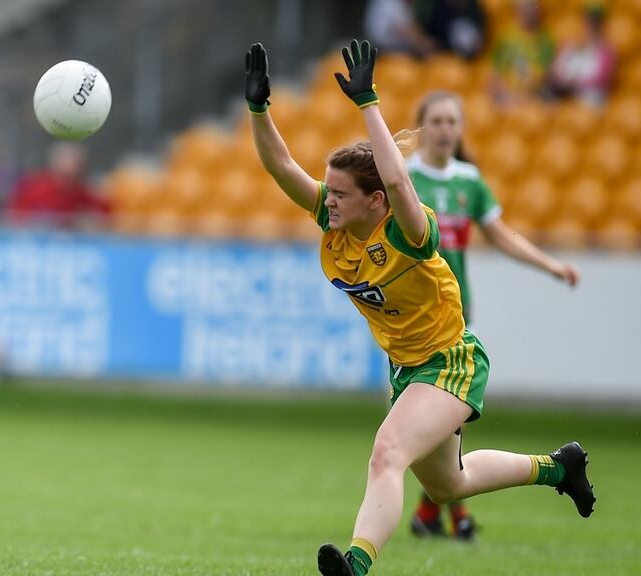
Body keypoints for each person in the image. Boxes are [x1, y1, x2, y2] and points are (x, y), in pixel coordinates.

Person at [245, 40, 595, 576]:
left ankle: (357, 564)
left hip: (450, 359)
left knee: (387, 453)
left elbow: (400, 180)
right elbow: (280, 166)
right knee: (448, 485)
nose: (327, 200)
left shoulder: (408, 229)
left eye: (339, 193)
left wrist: (368, 103)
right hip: (407, 368)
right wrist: (258, 109)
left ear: (375, 200)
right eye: (329, 191)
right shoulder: (337, 225)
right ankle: (557, 468)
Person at [405, 90, 580, 541]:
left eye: (452, 121)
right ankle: (442, 513)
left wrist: (551, 266)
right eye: (437, 121)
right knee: (439, 426)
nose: (445, 129)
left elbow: (501, 235)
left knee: (451, 422)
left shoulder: (469, 181)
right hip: (414, 321)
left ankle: (439, 514)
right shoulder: (403, 180)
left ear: (461, 129)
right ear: (423, 127)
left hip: (458, 319)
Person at [6, 141, 110, 230]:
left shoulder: (85, 195)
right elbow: (13, 219)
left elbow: (106, 220)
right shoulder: (32, 188)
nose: (67, 180)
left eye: (74, 174)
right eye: (63, 175)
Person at [548, 3, 615, 107]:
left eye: (595, 21)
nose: (590, 25)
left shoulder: (606, 50)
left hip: (590, 100)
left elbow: (601, 78)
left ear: (601, 24)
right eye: (588, 21)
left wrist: (575, 82)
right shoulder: (573, 45)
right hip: (567, 96)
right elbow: (556, 70)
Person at [489, 0, 555, 105]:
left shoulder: (546, 40)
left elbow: (548, 75)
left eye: (532, 6)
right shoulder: (506, 39)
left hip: (535, 98)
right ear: (517, 9)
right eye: (525, 6)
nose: (528, 11)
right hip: (510, 98)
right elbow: (494, 75)